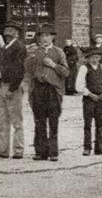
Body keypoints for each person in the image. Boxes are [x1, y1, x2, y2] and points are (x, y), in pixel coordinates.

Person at [24, 27, 69, 162]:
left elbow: (66, 72)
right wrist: (30, 57)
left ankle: (53, 151)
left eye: (46, 36)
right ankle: (40, 151)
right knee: (39, 121)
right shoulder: (35, 51)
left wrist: (53, 65)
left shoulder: (58, 52)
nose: (43, 38)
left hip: (53, 90)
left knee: (53, 121)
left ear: (52, 37)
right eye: (41, 36)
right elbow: (29, 70)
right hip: (38, 89)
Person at [0, 22, 26, 159]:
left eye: (11, 31)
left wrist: (13, 88)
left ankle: (18, 150)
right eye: (6, 31)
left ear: (17, 33)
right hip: (4, 85)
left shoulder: (19, 48)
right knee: (3, 119)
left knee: (16, 120)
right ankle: (2, 150)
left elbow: (20, 70)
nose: (8, 34)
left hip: (13, 86)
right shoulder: (4, 48)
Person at [75, 48, 102, 156]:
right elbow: (79, 85)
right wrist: (89, 94)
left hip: (100, 98)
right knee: (88, 124)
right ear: (88, 58)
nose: (95, 60)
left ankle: (99, 147)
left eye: (97, 57)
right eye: (93, 57)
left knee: (100, 124)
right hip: (89, 99)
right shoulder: (84, 68)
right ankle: (87, 147)